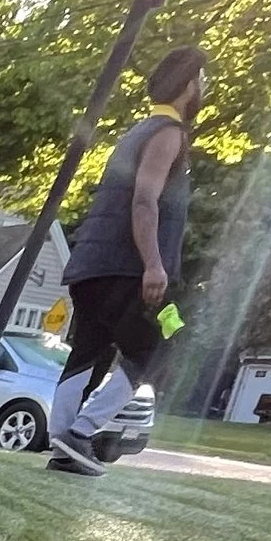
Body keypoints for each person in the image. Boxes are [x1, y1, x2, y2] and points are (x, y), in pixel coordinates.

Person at [48, 46, 206, 473]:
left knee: (89, 351)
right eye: (202, 80)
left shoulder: (137, 130)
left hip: (91, 264)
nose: (203, 87)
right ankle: (81, 433)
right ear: (190, 85)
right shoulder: (168, 133)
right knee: (153, 351)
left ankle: (63, 443)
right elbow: (143, 201)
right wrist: (154, 264)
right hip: (128, 266)